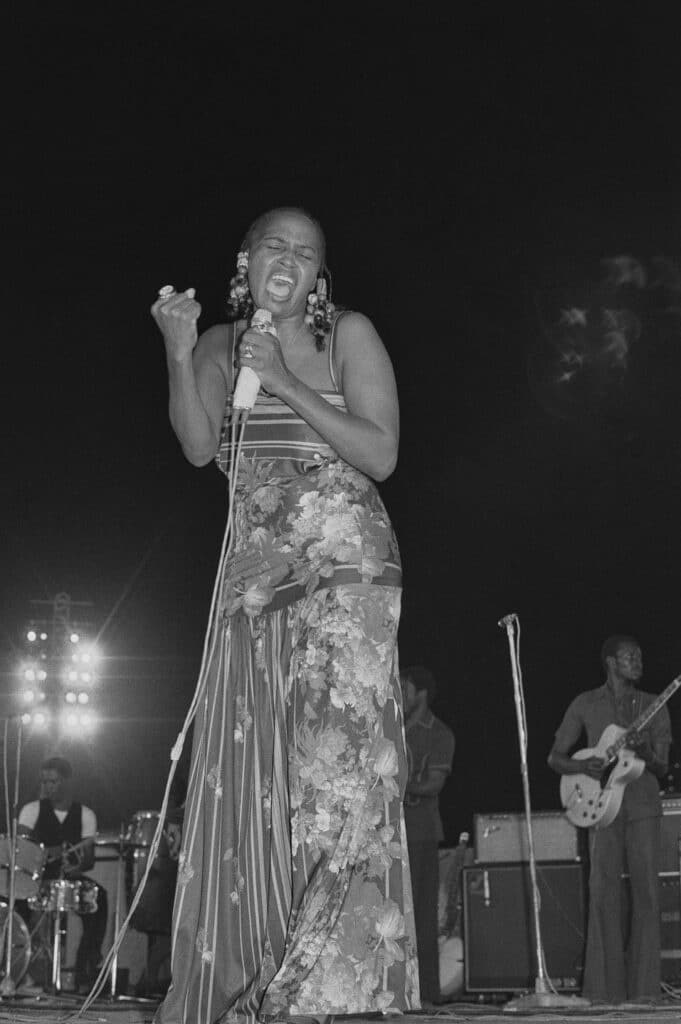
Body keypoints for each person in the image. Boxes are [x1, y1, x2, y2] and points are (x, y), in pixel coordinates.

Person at [150, 207, 419, 1023]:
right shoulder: (220, 345)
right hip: (256, 566)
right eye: (275, 245)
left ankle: (330, 986)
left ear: (319, 274)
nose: (289, 259)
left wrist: (288, 380)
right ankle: (252, 967)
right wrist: (177, 340)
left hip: (343, 561)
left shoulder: (348, 335)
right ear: (246, 259)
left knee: (339, 770)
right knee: (252, 771)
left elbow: (379, 453)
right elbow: (201, 447)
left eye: (306, 253)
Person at [548, 635, 672, 1005]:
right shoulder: (585, 704)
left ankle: (645, 992)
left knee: (647, 895)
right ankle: (603, 993)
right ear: (610, 662)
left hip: (643, 806)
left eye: (639, 656)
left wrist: (646, 750)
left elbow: (663, 765)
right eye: (630, 656)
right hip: (600, 808)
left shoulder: (653, 704)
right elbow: (555, 758)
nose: (638, 661)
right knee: (602, 894)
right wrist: (581, 765)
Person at [17, 755, 108, 993]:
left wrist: (76, 866)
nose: (47, 786)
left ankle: (84, 973)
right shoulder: (32, 810)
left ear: (67, 782)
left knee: (100, 898)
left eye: (53, 782)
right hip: (37, 879)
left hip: (69, 880)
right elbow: (20, 848)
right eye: (44, 781)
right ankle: (19, 971)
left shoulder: (86, 814)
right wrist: (46, 852)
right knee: (15, 904)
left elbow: (88, 860)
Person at [401, 665, 455, 1005]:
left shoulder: (438, 733)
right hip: (385, 836)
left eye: (403, 688)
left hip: (420, 832)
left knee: (421, 915)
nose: (398, 694)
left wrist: (398, 786)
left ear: (420, 693)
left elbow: (434, 784)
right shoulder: (387, 727)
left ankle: (425, 996)